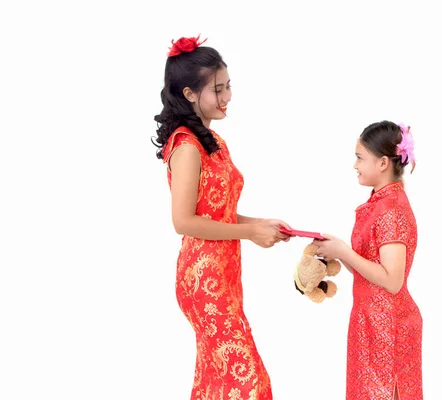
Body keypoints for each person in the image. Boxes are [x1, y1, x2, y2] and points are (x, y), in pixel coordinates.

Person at [152, 35, 291, 400]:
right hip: (203, 279)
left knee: (217, 380)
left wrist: (260, 225)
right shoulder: (186, 146)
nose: (228, 96)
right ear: (190, 94)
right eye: (219, 89)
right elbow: (182, 221)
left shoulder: (213, 141)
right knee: (248, 381)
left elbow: (219, 212)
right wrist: (248, 233)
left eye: (229, 86)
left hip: (225, 271)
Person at [314, 120, 422, 399]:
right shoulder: (379, 202)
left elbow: (392, 280)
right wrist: (335, 251)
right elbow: (372, 269)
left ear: (383, 162)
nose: (355, 165)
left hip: (390, 326)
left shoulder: (392, 209)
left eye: (360, 157)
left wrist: (344, 252)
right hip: (370, 323)